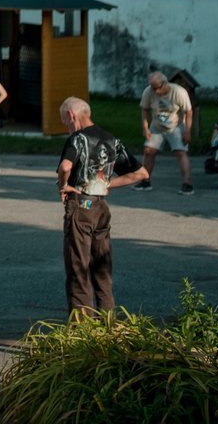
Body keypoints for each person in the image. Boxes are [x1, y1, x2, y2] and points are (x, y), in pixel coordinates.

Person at [55, 96, 147, 315]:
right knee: (102, 268)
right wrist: (105, 184)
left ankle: (82, 330)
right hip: (101, 208)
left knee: (79, 267)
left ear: (71, 115)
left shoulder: (78, 139)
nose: (67, 128)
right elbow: (141, 173)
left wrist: (64, 185)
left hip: (81, 207)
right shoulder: (111, 139)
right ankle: (107, 323)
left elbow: (66, 166)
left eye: (65, 123)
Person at [137, 71, 194, 195]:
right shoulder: (148, 91)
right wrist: (145, 128)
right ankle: (145, 181)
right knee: (149, 151)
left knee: (180, 152)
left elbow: (189, 112)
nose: (155, 91)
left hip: (176, 125)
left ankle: (187, 183)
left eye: (157, 88)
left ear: (165, 83)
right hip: (157, 125)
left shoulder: (179, 92)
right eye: (153, 88)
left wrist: (187, 131)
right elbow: (144, 110)